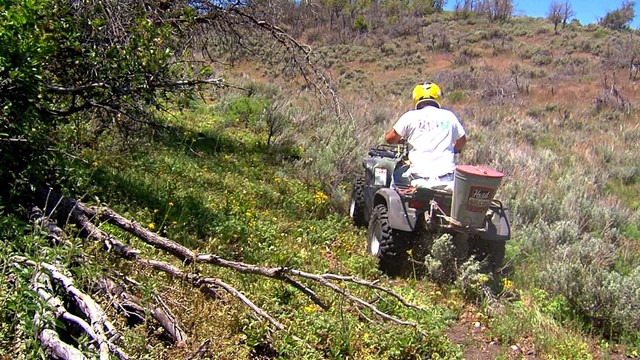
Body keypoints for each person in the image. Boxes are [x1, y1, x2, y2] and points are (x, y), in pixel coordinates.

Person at [385, 82, 466, 188]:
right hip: (447, 177)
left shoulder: (410, 116)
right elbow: (462, 140)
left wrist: (400, 140)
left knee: (395, 178)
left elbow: (390, 138)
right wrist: (454, 149)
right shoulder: (449, 116)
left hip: (418, 177)